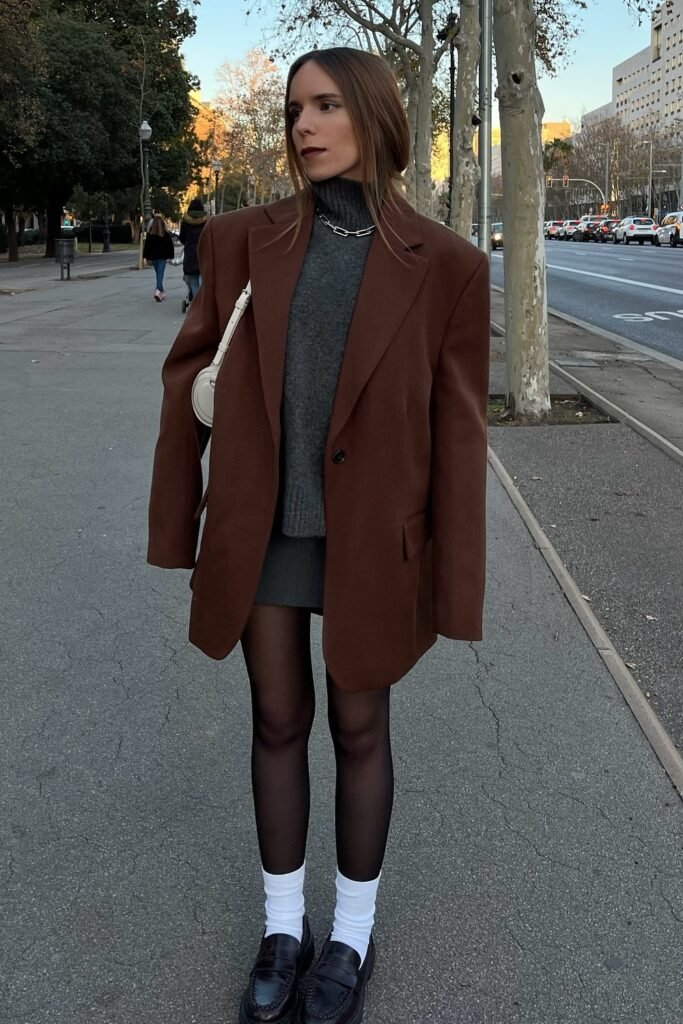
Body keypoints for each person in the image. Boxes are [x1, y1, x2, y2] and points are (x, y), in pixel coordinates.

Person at [147, 47, 489, 1024]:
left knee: (359, 727)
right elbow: (186, 388)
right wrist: (182, 528)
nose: (303, 124)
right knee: (274, 722)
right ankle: (283, 926)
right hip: (264, 533)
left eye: (327, 104)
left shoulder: (445, 267)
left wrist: (452, 585)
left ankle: (350, 936)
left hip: (372, 540)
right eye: (295, 107)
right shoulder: (237, 242)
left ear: (375, 118)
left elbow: (459, 433)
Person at [178, 197, 207, 301]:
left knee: (193, 280)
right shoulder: (207, 220)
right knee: (204, 279)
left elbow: (182, 238)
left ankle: (196, 303)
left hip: (190, 253)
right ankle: (205, 302)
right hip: (205, 252)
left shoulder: (185, 221)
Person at [142, 214, 174, 301]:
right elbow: (170, 246)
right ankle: (157, 290)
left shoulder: (150, 235)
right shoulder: (165, 234)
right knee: (160, 275)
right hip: (162, 257)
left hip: (154, 257)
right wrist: (171, 256)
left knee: (158, 275)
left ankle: (162, 292)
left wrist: (145, 256)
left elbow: (147, 247)